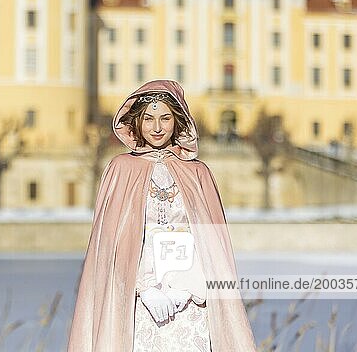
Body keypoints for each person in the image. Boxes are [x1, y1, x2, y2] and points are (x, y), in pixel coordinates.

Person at [67, 80, 256, 351]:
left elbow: (213, 248)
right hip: (138, 302)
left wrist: (188, 286)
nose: (157, 128)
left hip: (191, 303)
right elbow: (111, 245)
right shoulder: (121, 170)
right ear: (137, 123)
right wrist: (146, 288)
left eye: (165, 118)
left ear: (178, 121)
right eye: (149, 119)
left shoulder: (197, 173)